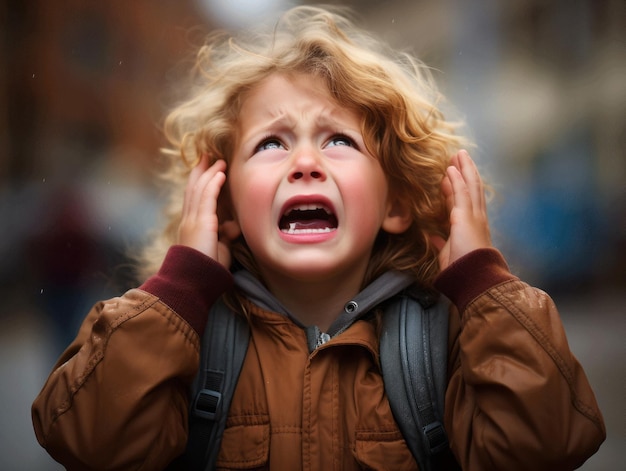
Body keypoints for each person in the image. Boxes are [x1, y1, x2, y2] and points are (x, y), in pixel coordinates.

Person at [32, 6, 605, 470]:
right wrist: (180, 286)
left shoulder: (451, 341)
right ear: (223, 205)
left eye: (339, 141)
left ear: (397, 204)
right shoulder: (185, 341)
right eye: (271, 144)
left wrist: (484, 285)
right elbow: (86, 440)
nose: (305, 161)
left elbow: (546, 446)